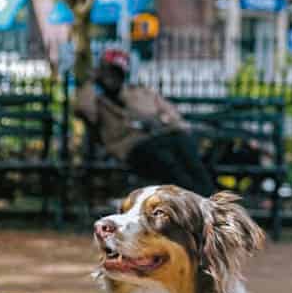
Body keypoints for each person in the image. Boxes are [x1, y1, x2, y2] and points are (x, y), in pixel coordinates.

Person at [76, 47, 215, 196]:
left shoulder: (140, 92)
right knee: (166, 160)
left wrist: (167, 122)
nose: (112, 77)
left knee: (185, 147)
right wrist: (91, 82)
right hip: (132, 146)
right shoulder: (96, 100)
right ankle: (194, 198)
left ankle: (206, 197)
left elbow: (170, 113)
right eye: (108, 71)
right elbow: (82, 109)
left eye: (116, 72)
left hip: (161, 136)